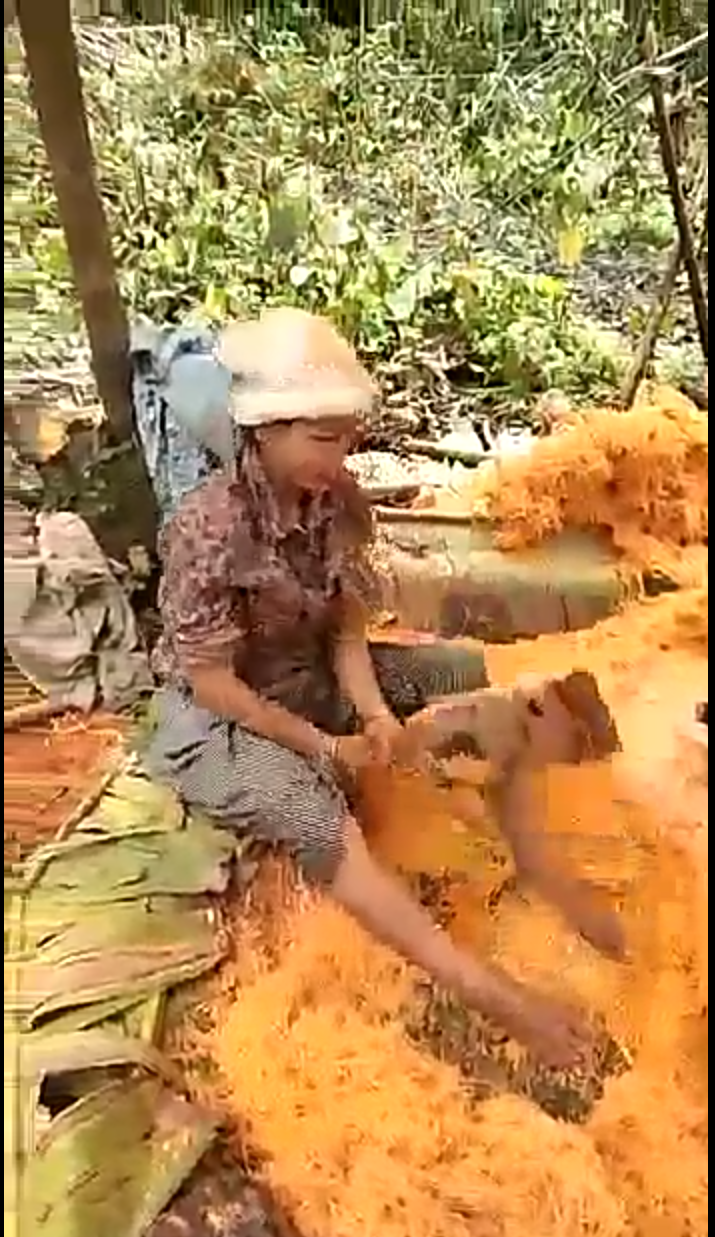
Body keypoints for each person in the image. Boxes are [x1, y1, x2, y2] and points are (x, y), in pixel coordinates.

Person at [149, 307, 599, 1069]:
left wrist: (376, 714)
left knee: (458, 670)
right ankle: (497, 997)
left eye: (347, 435)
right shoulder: (208, 529)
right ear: (265, 430)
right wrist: (326, 745)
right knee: (315, 814)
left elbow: (349, 629)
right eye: (322, 438)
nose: (340, 453)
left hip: (310, 676)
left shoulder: (340, 502)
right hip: (224, 715)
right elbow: (213, 682)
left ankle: (523, 821)